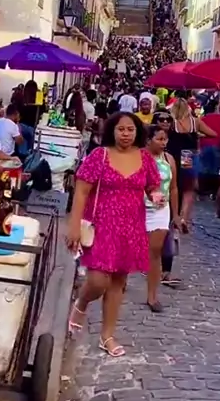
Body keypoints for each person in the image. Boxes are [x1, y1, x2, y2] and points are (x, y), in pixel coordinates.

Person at [66, 113, 162, 356]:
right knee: (98, 281)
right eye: (121, 129)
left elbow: (152, 185)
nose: (126, 134)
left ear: (137, 132)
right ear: (113, 131)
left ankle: (107, 336)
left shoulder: (145, 158)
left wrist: (155, 195)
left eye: (130, 129)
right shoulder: (100, 156)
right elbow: (81, 191)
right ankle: (82, 302)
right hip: (101, 227)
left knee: (118, 282)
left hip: (131, 228)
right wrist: (74, 225)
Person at [145, 125, 183, 311]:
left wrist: (176, 214)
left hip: (160, 210)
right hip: (138, 208)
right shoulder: (139, 158)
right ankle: (121, 282)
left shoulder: (168, 159)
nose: (163, 143)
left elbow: (174, 188)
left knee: (155, 252)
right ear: (148, 140)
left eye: (165, 139)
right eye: (159, 139)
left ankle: (152, 296)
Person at [168, 97, 216, 224]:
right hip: (188, 156)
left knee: (173, 185)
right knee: (188, 188)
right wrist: (198, 135)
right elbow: (213, 134)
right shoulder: (195, 122)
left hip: (173, 156)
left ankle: (173, 214)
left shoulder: (171, 122)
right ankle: (184, 217)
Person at [197, 98, 220, 197]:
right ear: (215, 108)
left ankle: (202, 190)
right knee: (216, 168)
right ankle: (214, 191)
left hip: (204, 144)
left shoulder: (202, 119)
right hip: (217, 144)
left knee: (204, 167)